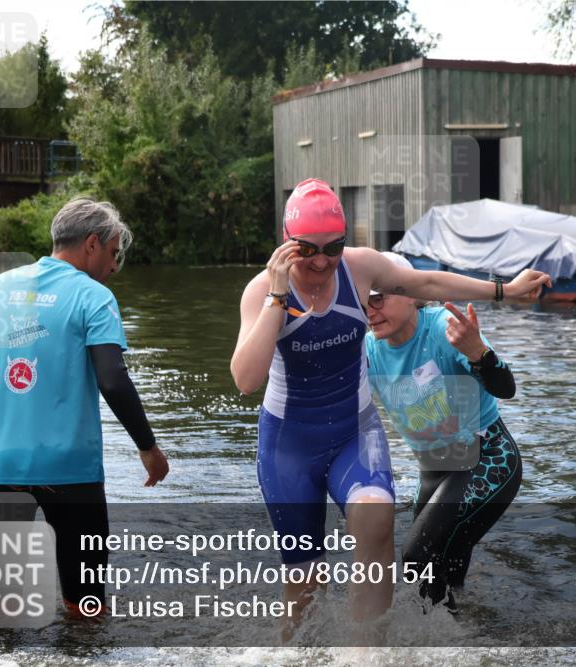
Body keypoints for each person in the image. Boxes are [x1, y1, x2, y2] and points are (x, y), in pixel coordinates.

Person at [230, 178, 549, 636]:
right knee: (313, 585)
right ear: (287, 243)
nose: (321, 260)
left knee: (393, 534)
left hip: (413, 446)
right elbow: (245, 380)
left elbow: (430, 283)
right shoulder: (275, 297)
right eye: (307, 249)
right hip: (299, 450)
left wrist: (501, 299)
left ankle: (373, 653)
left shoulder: (383, 287)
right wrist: (277, 298)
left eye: (333, 247)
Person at [0, 197, 169, 616]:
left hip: (3, 466)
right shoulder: (94, 297)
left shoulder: (1, 287)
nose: (112, 268)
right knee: (84, 607)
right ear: (91, 244)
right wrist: (148, 448)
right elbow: (112, 378)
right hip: (73, 472)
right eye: (112, 254)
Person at [364, 252, 522, 613]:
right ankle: (465, 639)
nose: (370, 310)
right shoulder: (369, 349)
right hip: (433, 473)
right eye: (364, 301)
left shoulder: (442, 329)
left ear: (412, 294)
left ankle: (439, 647)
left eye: (380, 297)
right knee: (444, 576)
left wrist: (478, 352)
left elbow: (506, 388)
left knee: (417, 557)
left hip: (487, 459)